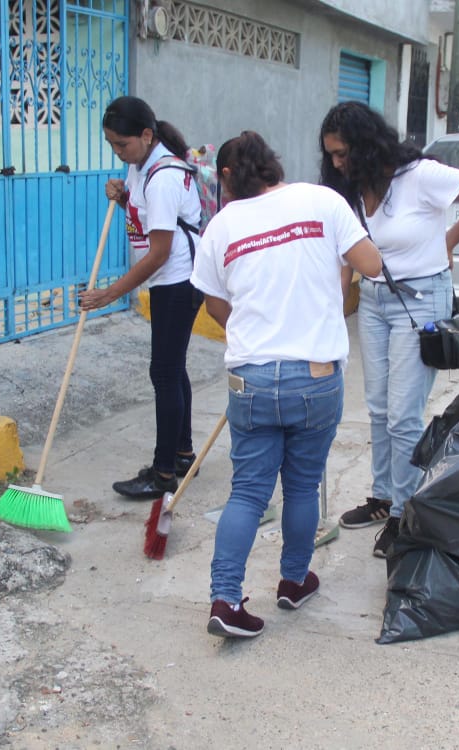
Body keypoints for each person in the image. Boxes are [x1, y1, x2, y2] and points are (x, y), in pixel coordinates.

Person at [191, 131, 383, 638]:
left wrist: (258, 324)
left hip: (250, 378)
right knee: (301, 486)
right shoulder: (323, 201)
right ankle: (293, 582)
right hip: (315, 378)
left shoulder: (222, 225)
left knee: (248, 492)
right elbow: (372, 265)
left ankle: (225, 599)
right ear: (275, 166)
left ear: (228, 177)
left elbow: (214, 304)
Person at [319, 101, 459, 557]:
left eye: (343, 153)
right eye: (332, 156)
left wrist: (448, 241)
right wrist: (334, 307)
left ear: (365, 144)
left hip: (420, 301)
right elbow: (348, 253)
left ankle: (406, 514)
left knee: (403, 415)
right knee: (378, 408)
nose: (337, 163)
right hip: (376, 301)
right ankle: (383, 498)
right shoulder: (355, 188)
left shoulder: (421, 175)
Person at [79, 96, 202, 499]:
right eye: (112, 145)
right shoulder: (142, 164)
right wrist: (122, 194)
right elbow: (141, 206)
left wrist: (110, 294)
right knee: (171, 369)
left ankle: (163, 473)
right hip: (170, 279)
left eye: (123, 145)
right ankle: (182, 453)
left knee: (163, 374)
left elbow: (160, 252)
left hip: (177, 281)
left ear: (146, 135)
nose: (119, 152)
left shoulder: (163, 176)